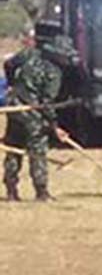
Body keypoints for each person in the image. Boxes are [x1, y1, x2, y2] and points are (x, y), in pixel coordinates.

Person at [3, 32, 70, 201]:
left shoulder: (29, 54)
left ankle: (11, 190)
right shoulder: (54, 72)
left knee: (13, 147)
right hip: (32, 113)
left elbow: (8, 64)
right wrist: (54, 126)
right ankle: (41, 191)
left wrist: (11, 85)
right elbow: (47, 103)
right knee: (38, 149)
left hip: (14, 107)